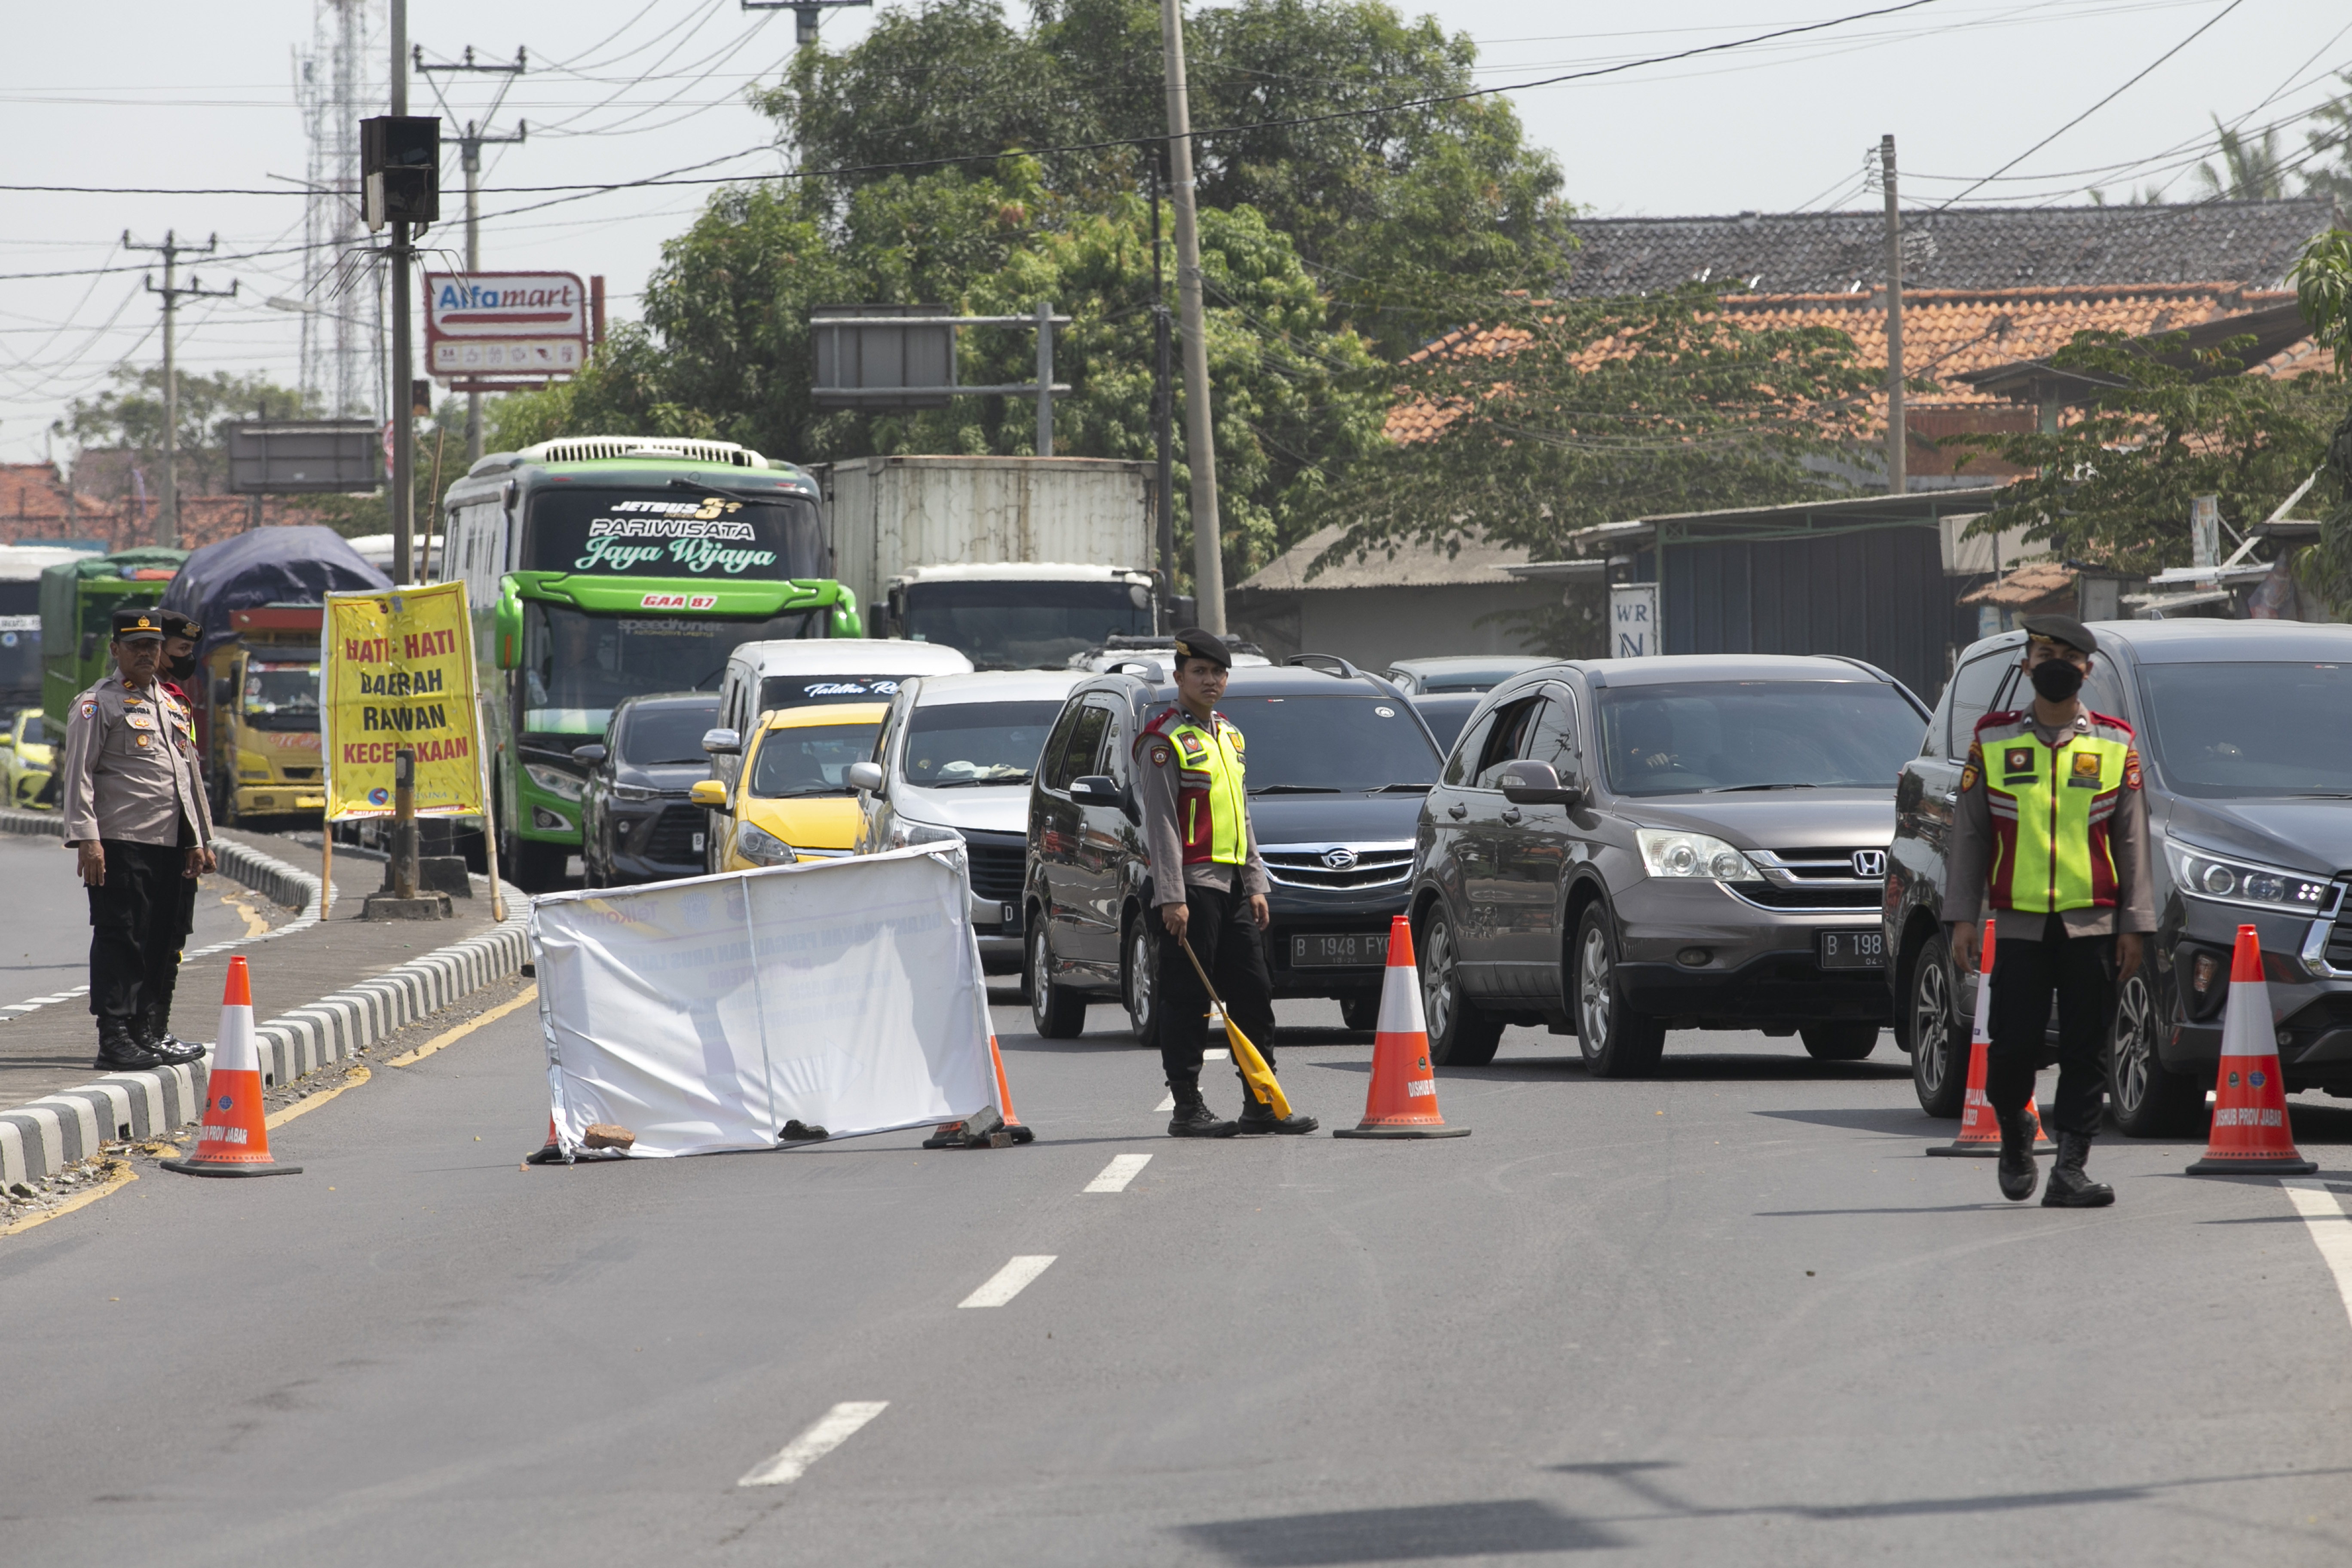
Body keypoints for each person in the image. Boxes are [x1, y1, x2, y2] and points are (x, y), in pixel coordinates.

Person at [1945, 614, 2152, 1207]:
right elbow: (1970, 836)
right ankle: (2015, 1130)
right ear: (2026, 664)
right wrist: (1964, 915)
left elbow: (2131, 839)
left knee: (2088, 1050)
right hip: (2018, 924)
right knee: (2011, 1049)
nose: (2056, 661)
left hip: (2094, 923)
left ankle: (2070, 1170)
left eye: (2068, 654)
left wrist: (2135, 925)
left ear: (2087, 670)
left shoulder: (2115, 743)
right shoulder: (1991, 739)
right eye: (2044, 651)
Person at [1134, 629, 1316, 1138]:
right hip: (1190, 887)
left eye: (1218, 673)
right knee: (1188, 998)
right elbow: (1163, 822)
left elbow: (1242, 817)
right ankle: (1187, 1107)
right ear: (1179, 677)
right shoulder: (1163, 739)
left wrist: (1256, 883)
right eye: (1200, 672)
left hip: (1234, 886)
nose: (1211, 681)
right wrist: (1172, 896)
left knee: (1255, 993)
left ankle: (1262, 1102)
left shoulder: (1230, 736)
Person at [58, 608, 218, 1071]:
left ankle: (148, 1032)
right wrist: (87, 840)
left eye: (152, 646)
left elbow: (189, 778)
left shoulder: (171, 704)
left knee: (163, 939)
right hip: (121, 842)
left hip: (171, 844)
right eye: (135, 647)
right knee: (120, 938)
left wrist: (200, 839)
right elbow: (79, 778)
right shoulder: (97, 704)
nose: (146, 654)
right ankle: (114, 1037)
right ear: (116, 651)